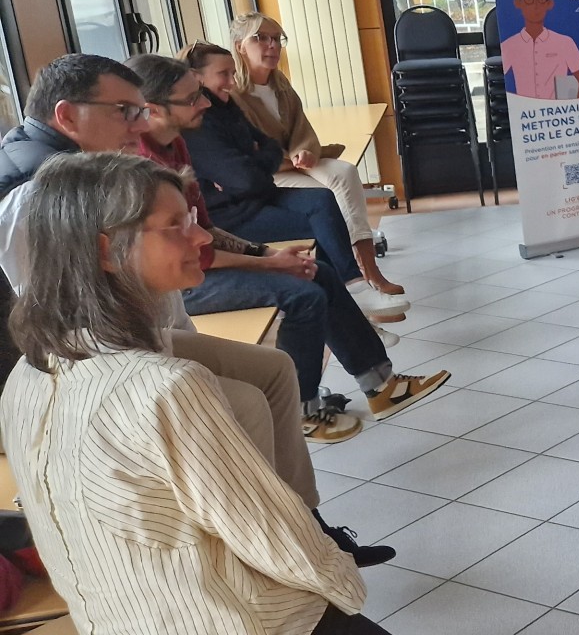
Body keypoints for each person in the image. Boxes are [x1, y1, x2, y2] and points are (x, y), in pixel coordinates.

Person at [0, 54, 392, 568]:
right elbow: (58, 323)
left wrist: (253, 257)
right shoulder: (35, 194)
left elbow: (189, 242)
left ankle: (304, 521)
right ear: (67, 115)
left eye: (142, 109)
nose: (139, 123)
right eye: (125, 111)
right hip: (88, 365)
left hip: (133, 335)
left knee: (274, 369)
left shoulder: (105, 164)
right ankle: (269, 548)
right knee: (245, 397)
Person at [135, 51, 449, 442]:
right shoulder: (143, 168)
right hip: (177, 284)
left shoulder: (175, 145)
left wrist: (268, 254)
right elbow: (198, 253)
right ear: (153, 109)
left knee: (320, 272)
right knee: (302, 295)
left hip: (198, 263)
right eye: (191, 98)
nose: (205, 103)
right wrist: (269, 263)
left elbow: (207, 230)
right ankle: (302, 411)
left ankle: (382, 386)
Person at [189, 36, 409, 320]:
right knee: (324, 227)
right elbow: (245, 178)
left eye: (232, 73)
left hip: (259, 195)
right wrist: (254, 163)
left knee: (323, 200)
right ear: (197, 78)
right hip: (234, 214)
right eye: (223, 74)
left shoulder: (228, 106)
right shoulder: (198, 124)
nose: (231, 82)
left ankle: (354, 288)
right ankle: (350, 305)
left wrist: (254, 162)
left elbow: (269, 147)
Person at [230, 13, 407, 296]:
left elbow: (301, 128)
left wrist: (304, 151)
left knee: (345, 172)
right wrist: (290, 158)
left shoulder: (279, 83)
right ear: (240, 46)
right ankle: (352, 276)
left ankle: (368, 268)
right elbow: (251, 148)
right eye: (261, 38)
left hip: (297, 162)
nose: (272, 45)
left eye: (276, 39)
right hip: (270, 171)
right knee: (328, 198)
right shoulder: (234, 94)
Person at [501, 0, 579, 100]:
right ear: (518, 3)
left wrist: (574, 108)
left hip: (558, 111)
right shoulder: (509, 45)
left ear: (549, 3)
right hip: (525, 111)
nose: (536, 5)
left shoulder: (565, 43)